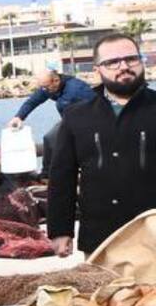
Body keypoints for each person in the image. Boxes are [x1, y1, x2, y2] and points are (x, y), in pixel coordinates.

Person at [47, 33, 156, 257]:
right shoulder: (76, 116)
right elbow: (62, 177)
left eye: (131, 59)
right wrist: (60, 230)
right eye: (112, 62)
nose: (123, 66)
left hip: (152, 236)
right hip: (100, 238)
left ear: (141, 61)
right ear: (97, 69)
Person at [7, 66, 95, 173]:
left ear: (56, 80)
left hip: (88, 122)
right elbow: (33, 101)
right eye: (42, 87)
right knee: (49, 138)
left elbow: (97, 106)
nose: (44, 90)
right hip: (69, 121)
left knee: (73, 145)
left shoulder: (77, 89)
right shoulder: (48, 87)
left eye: (46, 87)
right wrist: (19, 117)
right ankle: (47, 174)